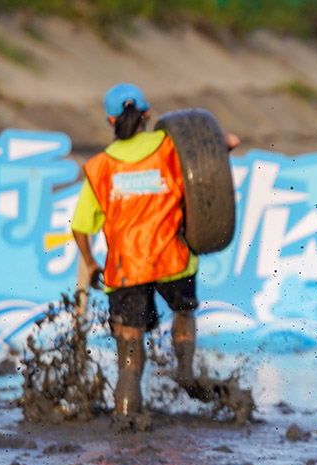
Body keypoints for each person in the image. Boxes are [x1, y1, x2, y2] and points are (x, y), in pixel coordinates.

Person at [71, 82, 240, 424]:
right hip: (173, 260)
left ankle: (126, 425)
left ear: (110, 120)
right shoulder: (171, 148)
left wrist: (90, 262)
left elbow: (80, 226)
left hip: (126, 269)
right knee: (183, 311)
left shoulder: (99, 167)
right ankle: (186, 371)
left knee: (130, 365)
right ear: (147, 114)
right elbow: (230, 142)